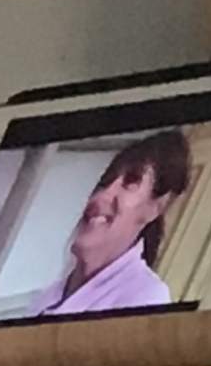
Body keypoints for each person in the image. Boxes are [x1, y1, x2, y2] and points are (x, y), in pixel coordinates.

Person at [44, 127, 195, 316]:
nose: (102, 196)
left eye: (130, 182)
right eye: (105, 182)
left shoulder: (145, 298)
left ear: (155, 208)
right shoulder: (47, 296)